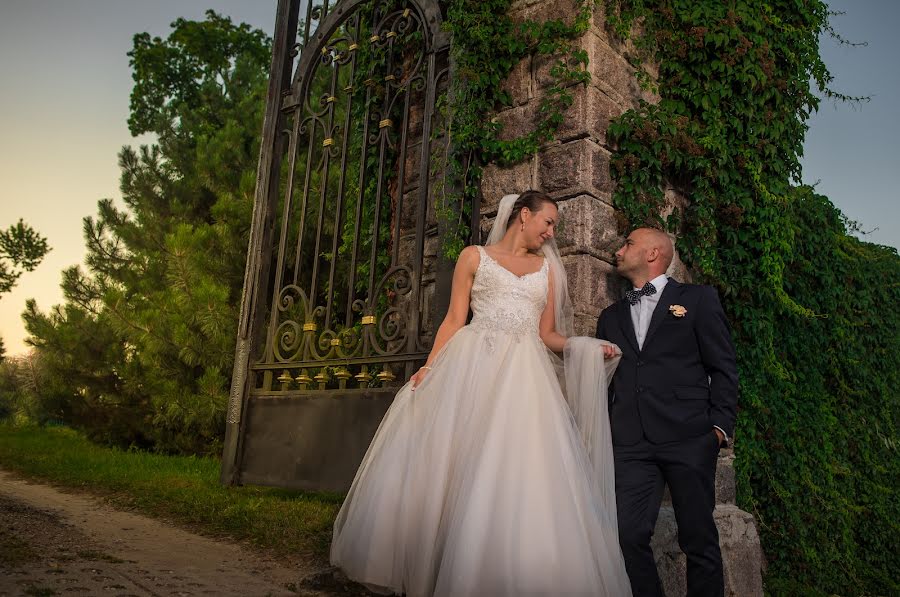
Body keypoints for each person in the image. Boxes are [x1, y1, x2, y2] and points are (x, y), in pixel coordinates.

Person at [331, 191, 632, 596]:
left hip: (524, 378)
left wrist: (586, 347)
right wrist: (430, 367)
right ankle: (436, 563)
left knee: (512, 468)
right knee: (450, 463)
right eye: (548, 222)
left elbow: (548, 336)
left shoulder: (548, 272)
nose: (552, 232)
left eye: (554, 226)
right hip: (471, 365)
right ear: (524, 215)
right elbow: (455, 319)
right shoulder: (473, 257)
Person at [595, 227, 738, 597]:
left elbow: (723, 366)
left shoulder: (698, 299)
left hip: (689, 438)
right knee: (626, 535)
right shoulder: (610, 317)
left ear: (653, 253)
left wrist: (719, 429)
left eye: (628, 244)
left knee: (699, 540)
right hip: (631, 443)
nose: (619, 250)